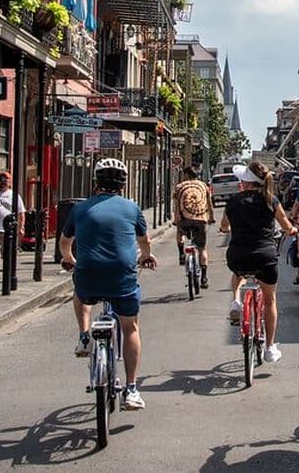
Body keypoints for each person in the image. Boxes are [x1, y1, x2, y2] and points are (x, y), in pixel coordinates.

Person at [60, 158, 157, 410]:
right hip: (121, 275)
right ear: (123, 184)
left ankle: (83, 336)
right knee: (130, 328)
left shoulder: (79, 209)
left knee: (80, 294)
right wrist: (146, 256)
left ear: (96, 182)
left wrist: (69, 259)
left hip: (89, 274)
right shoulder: (132, 208)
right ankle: (132, 389)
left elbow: (64, 242)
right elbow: (144, 241)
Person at [220, 161, 297, 363]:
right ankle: (270, 347)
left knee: (238, 273)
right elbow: (286, 226)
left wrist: (227, 229)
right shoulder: (271, 200)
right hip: (265, 256)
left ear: (246, 182)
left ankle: (236, 300)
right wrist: (292, 230)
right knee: (270, 300)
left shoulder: (233, 201)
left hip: (238, 255)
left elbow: (224, 225)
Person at [173, 165, 215, 288]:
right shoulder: (204, 186)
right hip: (200, 220)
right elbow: (209, 204)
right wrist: (211, 217)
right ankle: (204, 278)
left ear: (186, 175)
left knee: (179, 233)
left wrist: (176, 220)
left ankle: (181, 253)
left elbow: (176, 206)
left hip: (184, 220)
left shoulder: (180, 187)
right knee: (202, 248)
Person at [0, 172, 25, 284]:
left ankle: (8, 274)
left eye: (5, 181)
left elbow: (21, 213)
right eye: (1, 180)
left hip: (7, 231)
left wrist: (21, 227)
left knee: (7, 254)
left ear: (9, 182)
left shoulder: (14, 195)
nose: (2, 183)